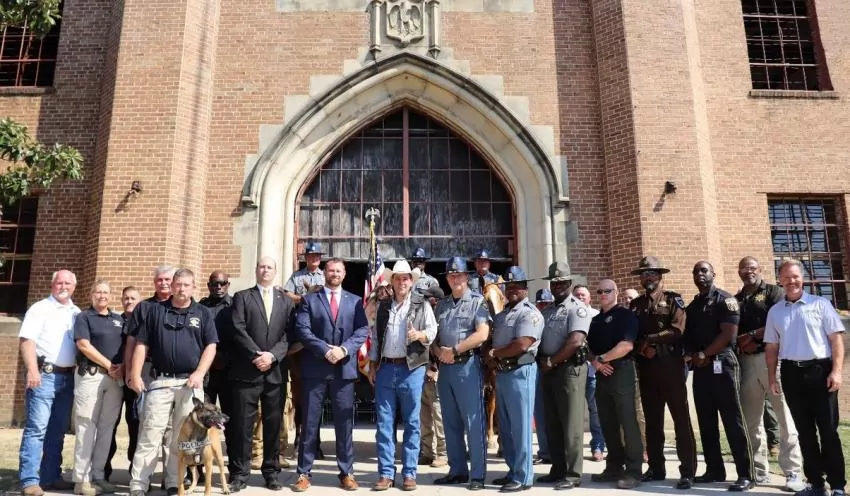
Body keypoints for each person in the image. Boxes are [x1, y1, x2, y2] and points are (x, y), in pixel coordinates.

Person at [126, 268, 218, 496]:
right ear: (172, 286)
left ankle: (174, 482)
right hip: (160, 382)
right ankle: (139, 483)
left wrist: (199, 372)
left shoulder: (203, 313)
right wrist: (135, 374)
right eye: (178, 284)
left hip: (190, 383)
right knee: (150, 434)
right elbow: (141, 344)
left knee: (182, 437)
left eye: (186, 285)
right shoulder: (155, 311)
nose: (181, 288)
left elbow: (211, 346)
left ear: (193, 287)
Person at [765, 259, 846, 496]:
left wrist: (837, 371)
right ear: (780, 280)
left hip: (821, 371)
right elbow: (772, 348)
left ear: (803, 278)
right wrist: (772, 378)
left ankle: (838, 485)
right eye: (786, 277)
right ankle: (816, 483)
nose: (791, 281)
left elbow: (836, 340)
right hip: (792, 373)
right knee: (805, 431)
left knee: (828, 430)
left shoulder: (820, 304)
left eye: (795, 276)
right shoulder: (775, 312)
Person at [291, 258, 369, 492]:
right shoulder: (310, 300)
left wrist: (343, 350)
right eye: (331, 270)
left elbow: (362, 330)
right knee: (309, 423)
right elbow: (302, 329)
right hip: (315, 369)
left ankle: (346, 473)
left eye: (338, 271)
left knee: (344, 424)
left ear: (344, 274)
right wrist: (325, 350)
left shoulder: (355, 301)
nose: (334, 274)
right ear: (324, 272)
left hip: (343, 370)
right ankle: (304, 473)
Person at [734, 256, 804, 491]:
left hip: (773, 361)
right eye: (744, 268)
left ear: (760, 270)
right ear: (739, 272)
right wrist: (742, 341)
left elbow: (781, 322)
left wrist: (752, 335)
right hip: (746, 363)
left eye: (752, 268)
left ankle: (793, 471)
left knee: (785, 417)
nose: (748, 271)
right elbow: (732, 331)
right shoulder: (737, 299)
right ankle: (759, 471)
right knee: (751, 421)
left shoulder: (774, 292)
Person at [367, 260, 438, 491]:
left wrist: (419, 335)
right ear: (392, 282)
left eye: (405, 278)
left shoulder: (422, 304)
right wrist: (373, 365)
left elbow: (433, 330)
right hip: (386, 367)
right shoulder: (383, 306)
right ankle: (386, 473)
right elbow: (376, 337)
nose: (401, 282)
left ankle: (409, 473)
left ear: (411, 281)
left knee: (412, 422)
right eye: (397, 278)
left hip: (412, 369)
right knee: (384, 424)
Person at [684, 261, 754, 492]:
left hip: (723, 365)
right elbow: (688, 336)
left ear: (713, 274)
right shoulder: (694, 306)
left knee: (733, 420)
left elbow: (729, 335)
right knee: (706, 421)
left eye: (704, 270)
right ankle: (715, 469)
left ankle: (745, 474)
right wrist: (693, 355)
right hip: (701, 367)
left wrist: (704, 353)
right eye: (696, 271)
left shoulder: (726, 300)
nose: (700, 274)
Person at [228, 257, 296, 492]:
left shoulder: (285, 301)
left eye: (269, 267)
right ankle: (239, 473)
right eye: (261, 266)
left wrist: (272, 356)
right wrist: (257, 355)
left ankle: (271, 472)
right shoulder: (242, 297)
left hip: (275, 373)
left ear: (275, 271)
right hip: (247, 371)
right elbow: (237, 328)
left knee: (273, 425)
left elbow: (289, 334)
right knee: (242, 425)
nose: (265, 270)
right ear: (256, 270)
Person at [629, 256, 696, 489]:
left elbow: (678, 330)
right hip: (647, 368)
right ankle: (656, 468)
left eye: (652, 273)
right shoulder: (635, 305)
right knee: (653, 422)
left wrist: (649, 340)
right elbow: (631, 336)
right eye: (644, 274)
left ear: (660, 276)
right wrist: (641, 348)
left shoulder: (673, 300)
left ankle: (687, 472)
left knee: (681, 420)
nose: (647, 277)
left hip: (671, 367)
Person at [18, 270, 81, 496]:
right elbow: (27, 340)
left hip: (68, 378)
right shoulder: (40, 308)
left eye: (67, 283)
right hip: (43, 375)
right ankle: (30, 480)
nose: (63, 286)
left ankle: (51, 476)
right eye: (59, 282)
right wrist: (32, 370)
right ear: (52, 285)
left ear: (74, 286)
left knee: (57, 430)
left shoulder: (76, 312)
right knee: (37, 429)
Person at [432, 256, 491, 491]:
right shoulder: (441, 305)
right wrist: (439, 352)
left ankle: (477, 475)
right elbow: (433, 336)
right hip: (445, 368)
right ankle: (457, 470)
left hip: (467, 366)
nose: (455, 278)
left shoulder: (478, 301)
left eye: (459, 274)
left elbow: (482, 334)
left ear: (467, 276)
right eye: (451, 275)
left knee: (474, 422)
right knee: (450, 422)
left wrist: (455, 350)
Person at [535, 262, 591, 490]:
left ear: (569, 282)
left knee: (571, 424)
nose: (557, 286)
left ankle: (573, 473)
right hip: (549, 371)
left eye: (561, 282)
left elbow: (575, 340)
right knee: (553, 423)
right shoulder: (548, 311)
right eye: (554, 283)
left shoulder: (577, 308)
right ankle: (557, 469)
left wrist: (552, 361)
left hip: (569, 371)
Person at [487, 266, 543, 493]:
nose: (511, 290)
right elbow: (492, 341)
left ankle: (524, 477)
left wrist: (495, 353)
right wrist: (491, 357)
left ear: (525, 288)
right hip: (502, 373)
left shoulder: (530, 313)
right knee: (507, 428)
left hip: (521, 372)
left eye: (516, 286)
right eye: (508, 287)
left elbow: (522, 344)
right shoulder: (502, 315)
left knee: (521, 427)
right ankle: (513, 471)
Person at [586, 279, 643, 489]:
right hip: (602, 374)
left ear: (616, 292)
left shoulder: (626, 315)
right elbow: (587, 347)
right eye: (599, 291)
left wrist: (602, 359)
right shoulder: (595, 320)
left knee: (628, 423)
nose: (603, 294)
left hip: (622, 372)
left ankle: (634, 471)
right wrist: (596, 363)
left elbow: (627, 345)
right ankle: (614, 467)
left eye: (607, 291)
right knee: (608, 423)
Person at [71, 281, 125, 496]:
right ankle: (81, 480)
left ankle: (98, 476)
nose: (102, 296)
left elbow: (126, 346)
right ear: (91, 295)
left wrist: (121, 367)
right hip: (91, 377)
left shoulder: (118, 319)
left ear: (111, 296)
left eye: (106, 292)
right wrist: (109, 365)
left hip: (114, 380)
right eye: (98, 292)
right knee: (86, 426)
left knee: (107, 428)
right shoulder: (84, 317)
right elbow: (84, 345)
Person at [104, 286, 142, 482]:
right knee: (110, 423)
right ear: (121, 300)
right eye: (126, 298)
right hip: (114, 378)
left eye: (133, 298)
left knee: (135, 423)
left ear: (139, 300)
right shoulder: (115, 322)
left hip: (134, 380)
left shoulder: (143, 322)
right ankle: (104, 469)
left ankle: (135, 470)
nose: (129, 301)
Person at [573, 284, 605, 462]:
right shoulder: (569, 315)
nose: (580, 297)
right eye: (577, 295)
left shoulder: (596, 316)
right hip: (573, 372)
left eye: (583, 295)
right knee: (573, 412)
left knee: (595, 411)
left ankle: (598, 446)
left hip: (593, 372)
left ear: (590, 298)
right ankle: (573, 449)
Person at [418, 285, 447, 469]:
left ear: (435, 300)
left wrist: (435, 368)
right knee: (424, 416)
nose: (424, 301)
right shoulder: (424, 316)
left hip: (437, 371)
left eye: (428, 298)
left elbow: (442, 347)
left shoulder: (442, 319)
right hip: (421, 370)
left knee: (439, 415)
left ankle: (443, 453)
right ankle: (428, 452)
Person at [532, 289, 553, 466]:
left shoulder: (554, 320)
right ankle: (545, 451)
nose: (543, 306)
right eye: (540, 303)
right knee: (539, 413)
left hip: (555, 367)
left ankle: (558, 452)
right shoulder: (533, 319)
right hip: (537, 368)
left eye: (546, 303)